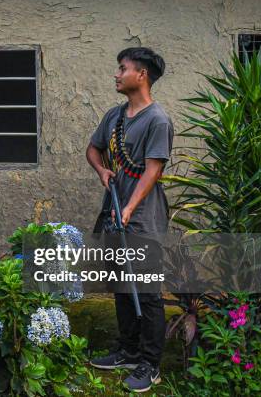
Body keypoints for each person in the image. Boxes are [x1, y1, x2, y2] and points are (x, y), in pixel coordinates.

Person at [86, 47, 173, 393]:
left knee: (148, 292)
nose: (116, 74)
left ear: (142, 75)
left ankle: (150, 365)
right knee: (122, 287)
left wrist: (128, 208)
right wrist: (102, 170)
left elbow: (153, 171)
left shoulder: (157, 120)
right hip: (116, 213)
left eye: (122, 68)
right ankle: (128, 351)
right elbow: (93, 149)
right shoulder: (114, 116)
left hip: (143, 219)